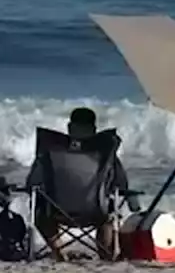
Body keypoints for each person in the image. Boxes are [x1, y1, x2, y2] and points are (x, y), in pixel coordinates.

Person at [29, 107, 139, 259]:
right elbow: (121, 183)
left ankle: (59, 252)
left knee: (40, 209)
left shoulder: (52, 148)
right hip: (96, 212)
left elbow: (32, 183)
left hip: (55, 211)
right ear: (94, 129)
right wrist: (134, 204)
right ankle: (105, 254)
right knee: (109, 214)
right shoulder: (104, 151)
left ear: (69, 127)